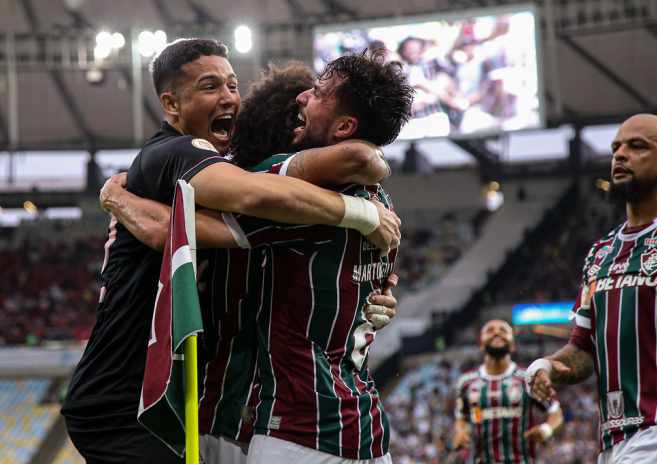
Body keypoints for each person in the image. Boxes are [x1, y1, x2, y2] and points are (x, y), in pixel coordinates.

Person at [61, 39, 400, 464]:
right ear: (171, 104)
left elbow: (358, 159)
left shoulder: (224, 184)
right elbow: (247, 199)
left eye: (233, 85)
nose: (229, 99)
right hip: (126, 399)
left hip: (196, 406)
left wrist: (365, 301)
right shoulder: (178, 153)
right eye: (210, 87)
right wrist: (360, 213)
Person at [526, 114, 657, 463]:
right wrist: (547, 366)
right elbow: (583, 349)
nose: (620, 155)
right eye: (616, 147)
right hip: (614, 437)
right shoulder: (600, 252)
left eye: (637, 146)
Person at [453, 319, 563, 463]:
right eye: (490, 330)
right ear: (480, 344)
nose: (497, 332)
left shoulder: (528, 378)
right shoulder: (466, 382)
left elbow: (555, 411)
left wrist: (546, 429)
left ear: (513, 345)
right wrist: (461, 432)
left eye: (503, 330)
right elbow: (462, 418)